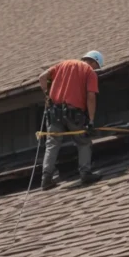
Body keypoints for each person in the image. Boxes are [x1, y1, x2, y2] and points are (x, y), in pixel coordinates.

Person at [39, 50, 103, 189]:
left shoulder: (63, 64)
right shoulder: (89, 71)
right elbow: (91, 97)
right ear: (93, 62)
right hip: (74, 114)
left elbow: (42, 77)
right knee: (84, 141)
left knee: (52, 143)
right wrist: (91, 121)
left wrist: (47, 95)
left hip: (55, 113)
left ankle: (46, 178)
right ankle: (85, 173)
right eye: (96, 67)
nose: (96, 70)